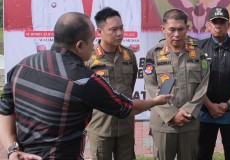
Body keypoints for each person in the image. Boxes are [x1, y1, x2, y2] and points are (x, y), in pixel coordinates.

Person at [0, 12, 171, 160]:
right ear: (80, 45)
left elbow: (5, 110)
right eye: (92, 41)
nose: (93, 46)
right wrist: (156, 101)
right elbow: (126, 107)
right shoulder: (84, 80)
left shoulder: (22, 66)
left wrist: (12, 150)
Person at [144, 8, 210, 160]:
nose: (176, 34)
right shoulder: (154, 54)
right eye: (172, 29)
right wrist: (171, 114)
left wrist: (187, 111)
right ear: (163, 29)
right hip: (163, 124)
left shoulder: (198, 53)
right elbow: (151, 87)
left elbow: (203, 85)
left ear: (187, 28)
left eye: (181, 29)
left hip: (189, 121)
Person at [197, 7, 230, 160]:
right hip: (205, 112)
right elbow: (195, 82)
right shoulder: (198, 48)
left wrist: (228, 104)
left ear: (228, 25)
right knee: (203, 152)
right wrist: (210, 106)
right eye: (214, 22)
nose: (218, 26)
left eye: (222, 22)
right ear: (208, 25)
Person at [86, 7, 137, 160]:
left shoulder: (129, 55)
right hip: (100, 127)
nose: (120, 33)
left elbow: (131, 85)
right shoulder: (89, 58)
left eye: (121, 28)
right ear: (99, 32)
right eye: (114, 29)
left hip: (125, 125)